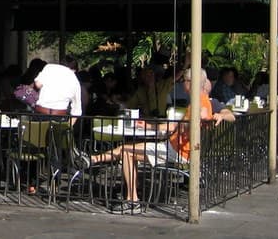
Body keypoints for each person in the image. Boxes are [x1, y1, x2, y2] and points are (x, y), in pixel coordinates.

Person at [89, 67, 213, 211]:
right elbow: (172, 126)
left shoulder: (200, 102)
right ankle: (94, 160)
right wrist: (148, 125)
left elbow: (204, 114)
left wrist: (200, 118)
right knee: (127, 148)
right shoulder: (196, 101)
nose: (182, 84)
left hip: (176, 151)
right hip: (172, 146)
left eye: (184, 81)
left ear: (191, 82)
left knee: (127, 151)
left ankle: (132, 200)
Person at [33, 56, 82, 123]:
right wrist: (68, 127)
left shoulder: (49, 67)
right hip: (59, 117)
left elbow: (38, 85)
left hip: (41, 113)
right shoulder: (75, 80)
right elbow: (77, 110)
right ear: (74, 69)